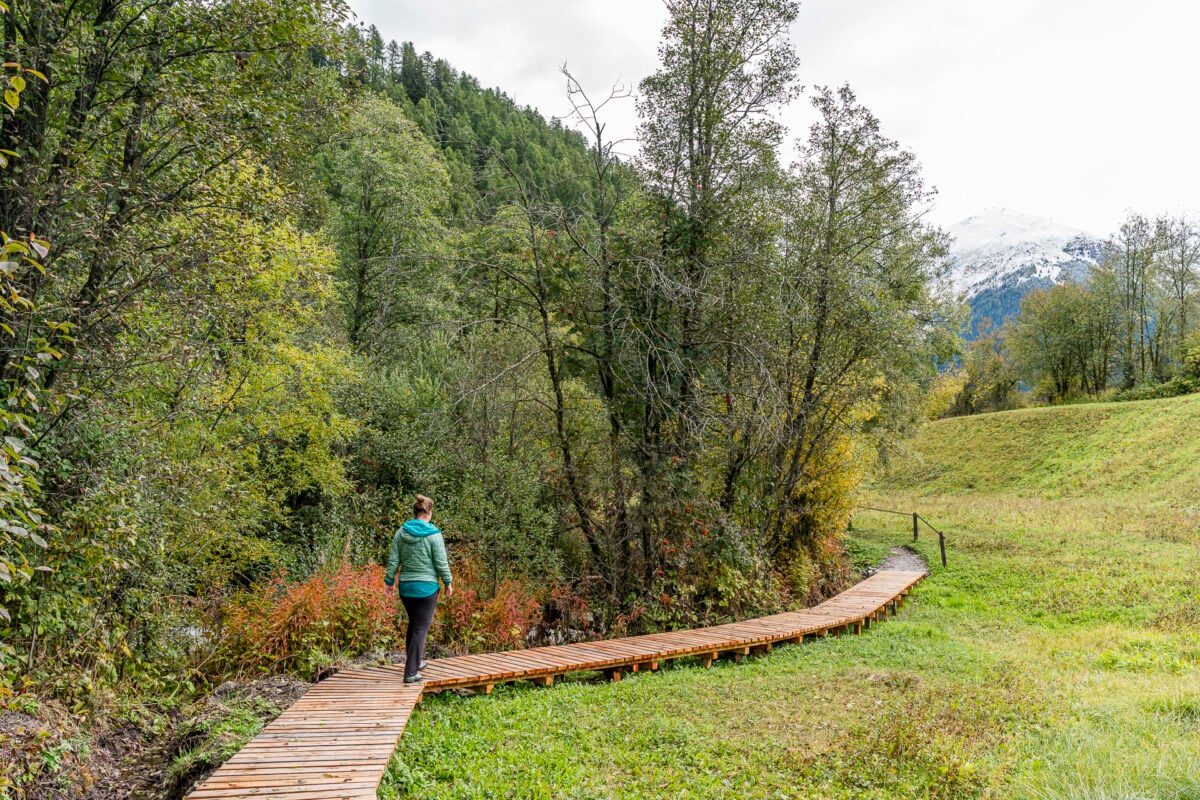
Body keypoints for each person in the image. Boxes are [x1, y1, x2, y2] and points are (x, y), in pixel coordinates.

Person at [384, 494, 453, 683]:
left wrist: (389, 582)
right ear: (429, 513)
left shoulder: (401, 532)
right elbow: (441, 563)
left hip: (406, 588)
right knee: (420, 629)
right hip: (427, 588)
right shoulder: (433, 535)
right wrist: (448, 582)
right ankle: (411, 672)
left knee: (414, 625)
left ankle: (416, 662)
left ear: (415, 512)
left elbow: (393, 560)